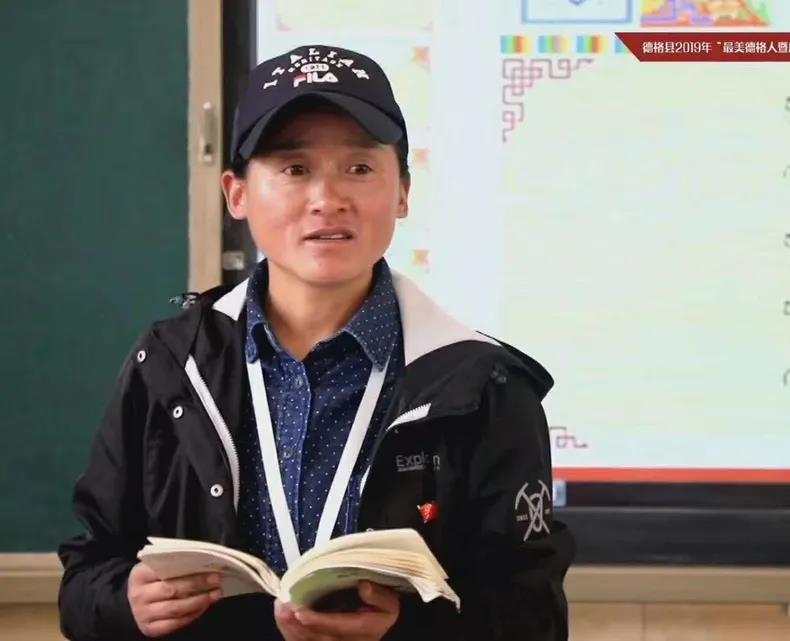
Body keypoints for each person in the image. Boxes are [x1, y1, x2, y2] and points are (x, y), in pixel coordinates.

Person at [58, 44, 574, 641]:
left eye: (359, 168)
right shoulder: (171, 365)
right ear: (237, 194)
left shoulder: (484, 386)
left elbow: (534, 615)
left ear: (403, 192)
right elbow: (84, 577)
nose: (328, 199)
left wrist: (406, 628)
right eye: (294, 169)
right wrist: (123, 602)